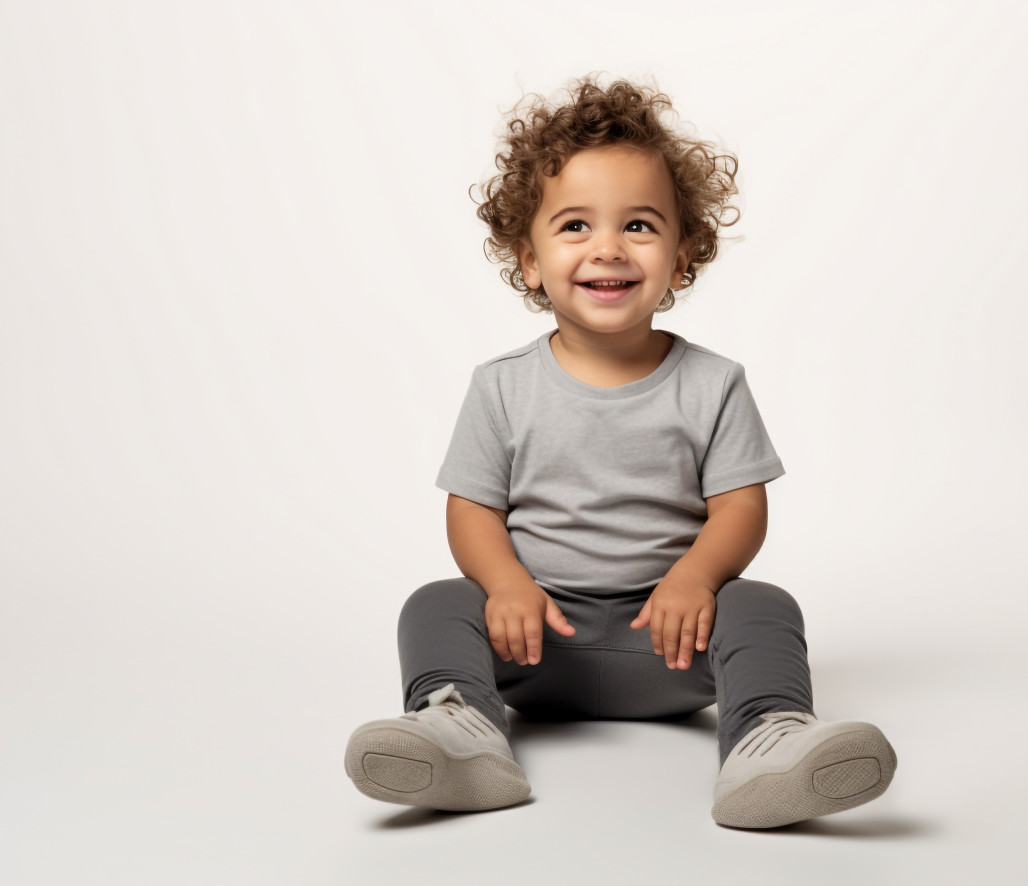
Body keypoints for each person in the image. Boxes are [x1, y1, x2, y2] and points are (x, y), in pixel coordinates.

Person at [344, 77, 896, 828]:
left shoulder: (712, 382)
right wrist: (505, 584)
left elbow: (740, 505)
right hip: (537, 641)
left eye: (639, 224)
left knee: (764, 605)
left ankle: (766, 739)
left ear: (682, 254)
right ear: (529, 258)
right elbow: (472, 507)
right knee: (436, 603)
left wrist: (697, 579)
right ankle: (461, 728)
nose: (608, 246)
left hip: (673, 640)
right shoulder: (502, 386)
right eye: (575, 225)